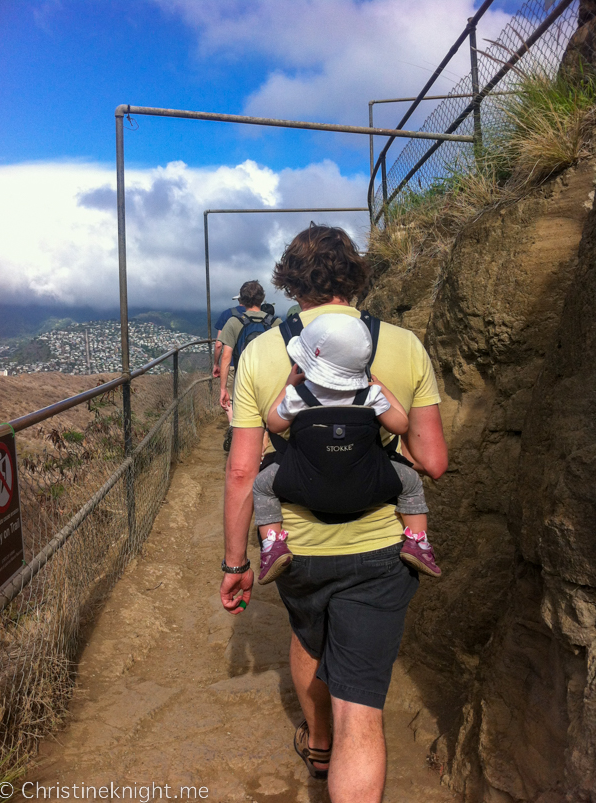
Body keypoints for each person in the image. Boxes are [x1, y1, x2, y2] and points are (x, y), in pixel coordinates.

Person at [220, 225, 448, 803]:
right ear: (356, 277)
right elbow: (433, 462)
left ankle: (318, 742)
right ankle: (339, 734)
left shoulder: (265, 351)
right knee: (362, 717)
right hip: (382, 548)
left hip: (296, 546)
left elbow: (244, 472)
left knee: (309, 637)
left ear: (290, 282)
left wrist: (234, 561)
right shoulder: (403, 345)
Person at [252, 313, 440, 585]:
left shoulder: (299, 397)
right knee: (410, 483)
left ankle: (272, 546)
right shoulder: (370, 396)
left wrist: (288, 386)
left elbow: (273, 423)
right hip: (368, 485)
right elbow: (400, 425)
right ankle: (418, 544)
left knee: (262, 486)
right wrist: (382, 388)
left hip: (306, 484)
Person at [218, 281, 281, 451]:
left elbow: (226, 356)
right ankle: (264, 450)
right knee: (267, 418)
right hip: (270, 381)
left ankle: (245, 452)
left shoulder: (234, 322)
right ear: (262, 299)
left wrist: (223, 388)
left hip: (243, 381)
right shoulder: (275, 323)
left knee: (246, 424)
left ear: (242, 300)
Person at [213, 295, 246, 449]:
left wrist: (216, 363)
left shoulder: (228, 314)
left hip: (232, 363)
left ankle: (234, 427)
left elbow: (219, 344)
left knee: (230, 399)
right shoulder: (264, 317)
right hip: (252, 365)